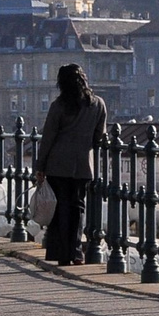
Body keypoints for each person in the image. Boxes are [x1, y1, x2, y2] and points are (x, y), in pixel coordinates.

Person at [34, 64, 107, 266]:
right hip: (83, 165)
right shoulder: (98, 104)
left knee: (59, 210)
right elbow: (99, 135)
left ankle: (61, 253)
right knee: (77, 209)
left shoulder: (59, 106)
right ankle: (76, 252)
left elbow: (48, 137)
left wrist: (40, 166)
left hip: (58, 165)